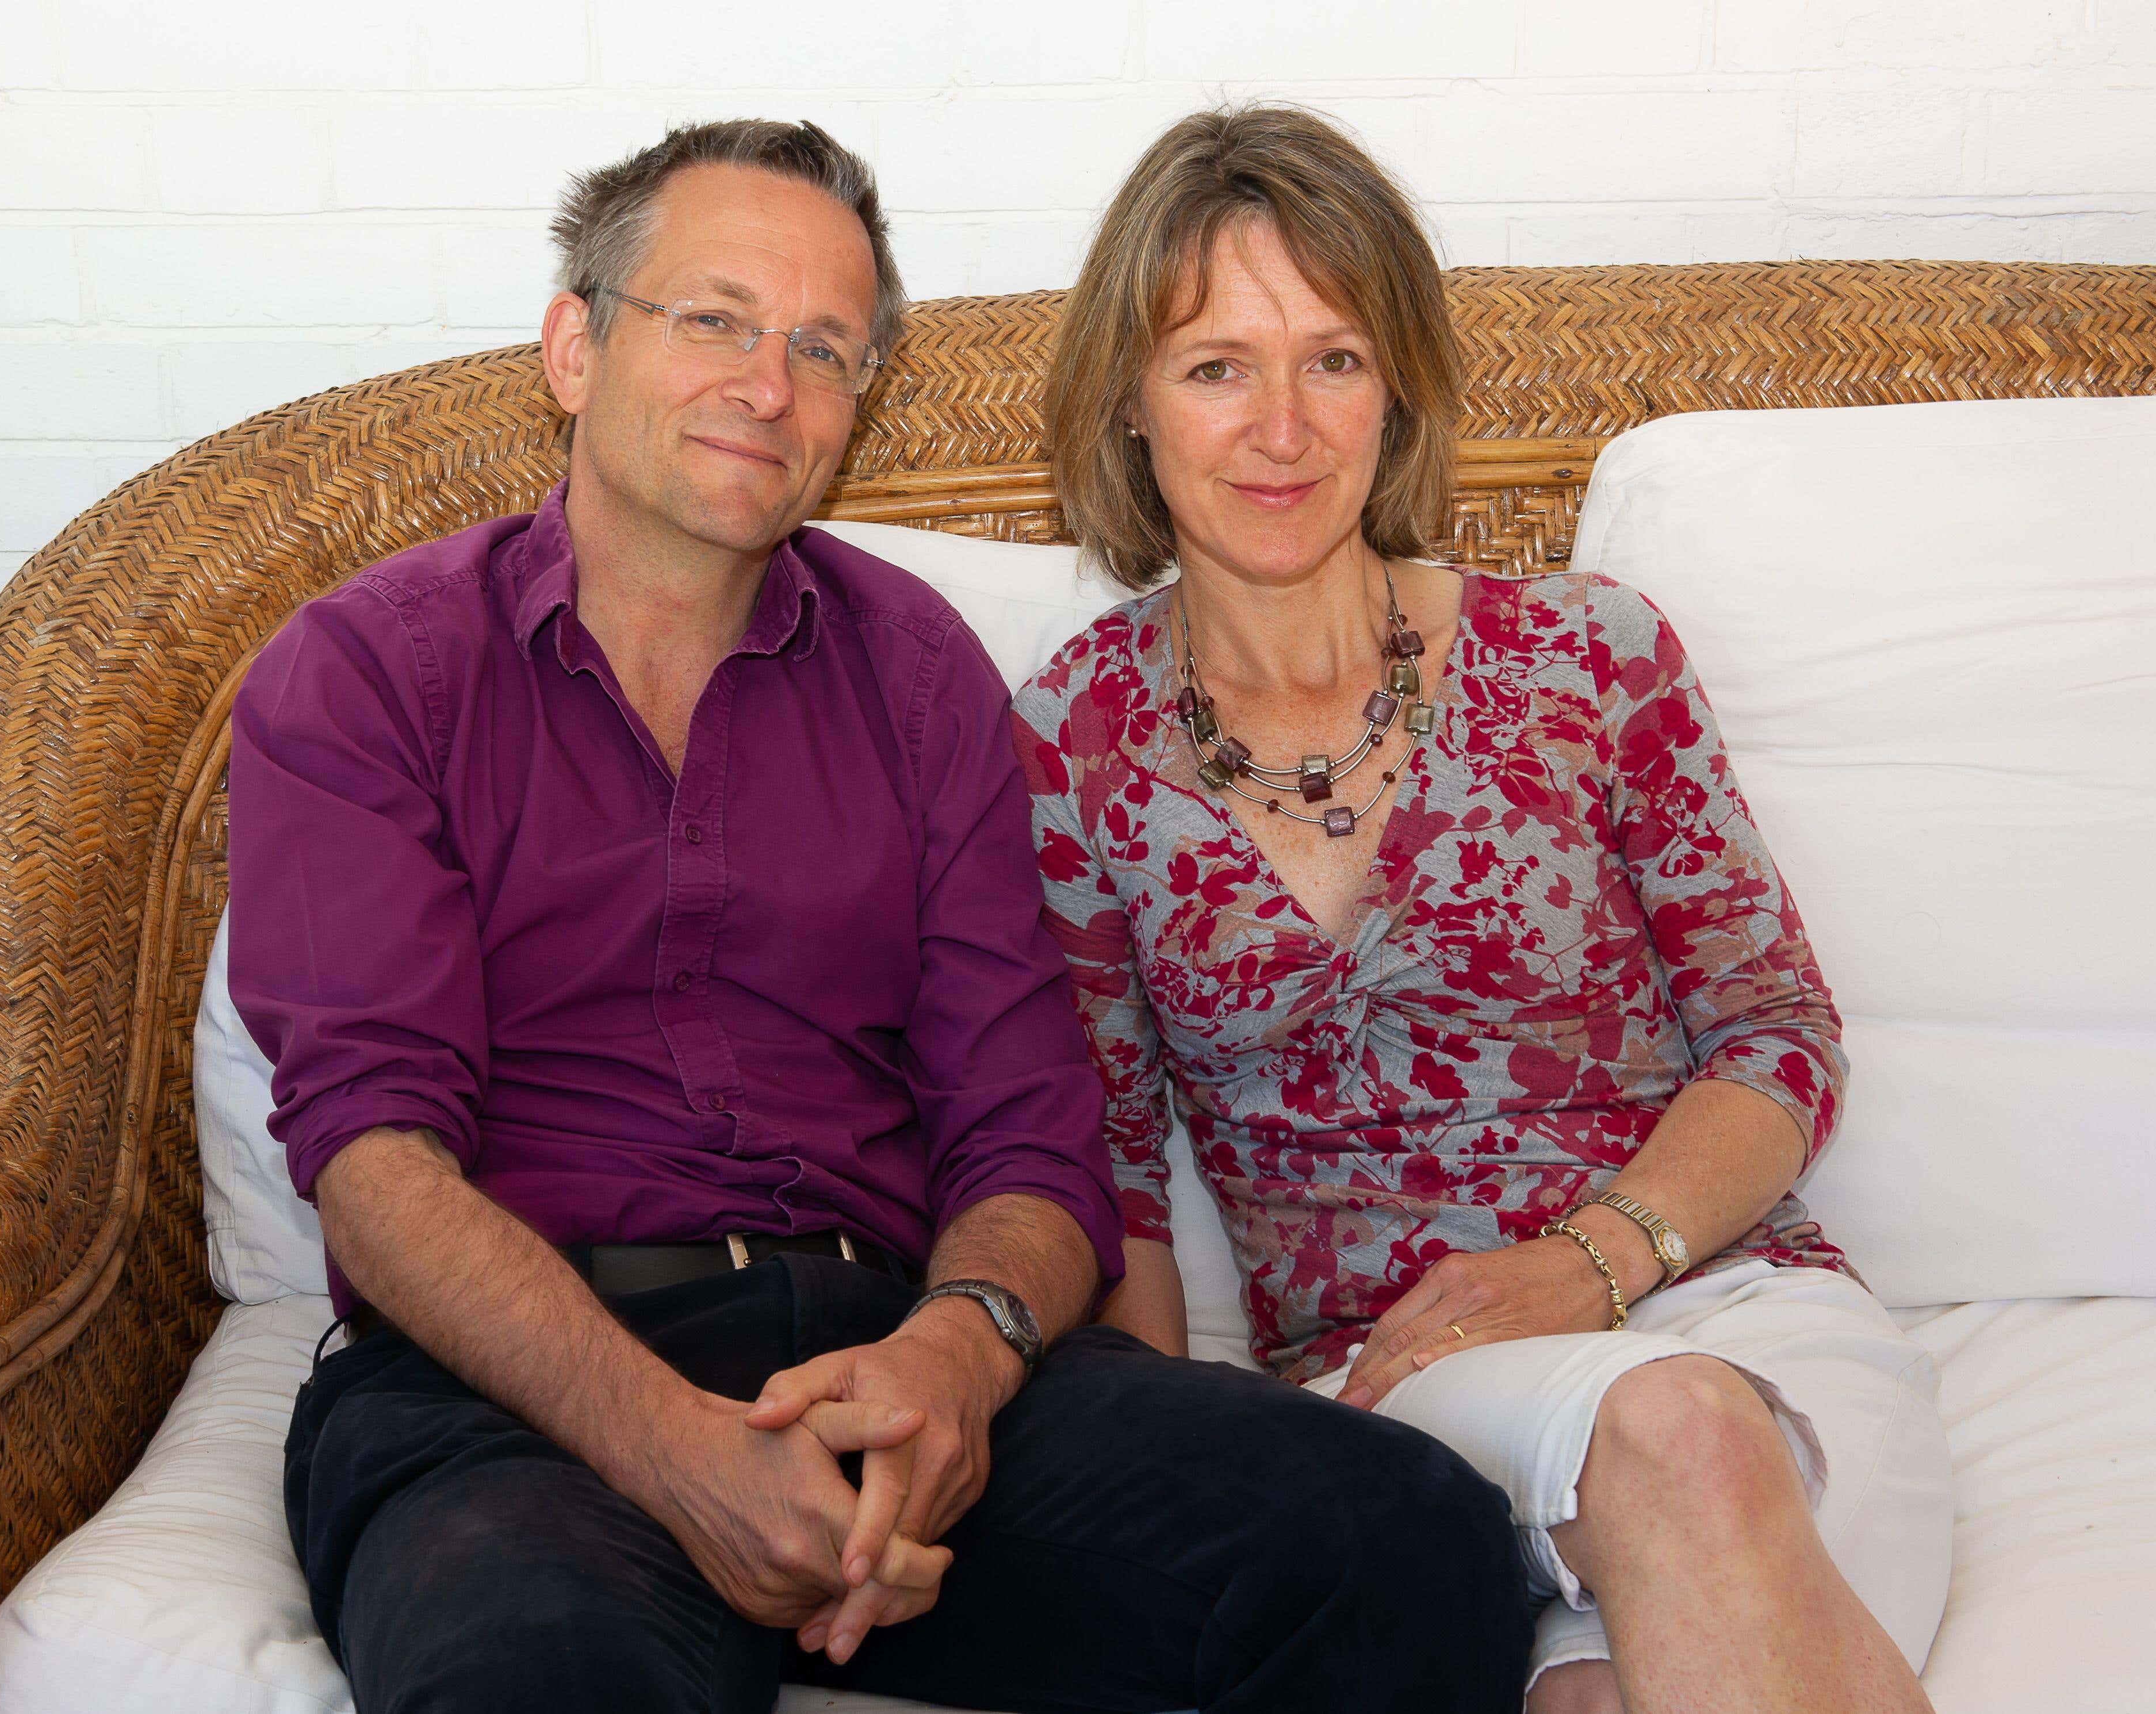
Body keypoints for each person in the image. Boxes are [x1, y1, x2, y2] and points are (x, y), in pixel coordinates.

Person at [230, 117, 1529, 1714]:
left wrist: (954, 1364)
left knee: (1414, 1541)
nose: (767, 385)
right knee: (544, 1681)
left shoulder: (915, 673)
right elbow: (372, 1165)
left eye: (825, 348)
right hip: (520, 1399)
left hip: (894, 1365)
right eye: (713, 320)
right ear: (574, 346)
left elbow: (1034, 1142)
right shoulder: (368, 673)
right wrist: (684, 1456)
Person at [1015, 104, 1957, 1714]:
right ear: (1130, 404)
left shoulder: (1592, 658)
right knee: (1672, 1428)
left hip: (1743, 1309)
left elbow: (1777, 1040)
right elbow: (1107, 1173)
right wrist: (1181, 1480)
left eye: (1335, 358)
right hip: (1402, 1398)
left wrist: (1594, 1263)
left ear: (1397, 392)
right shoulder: (1076, 745)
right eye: (1217, 365)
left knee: (1626, 1618)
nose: (1283, 429)